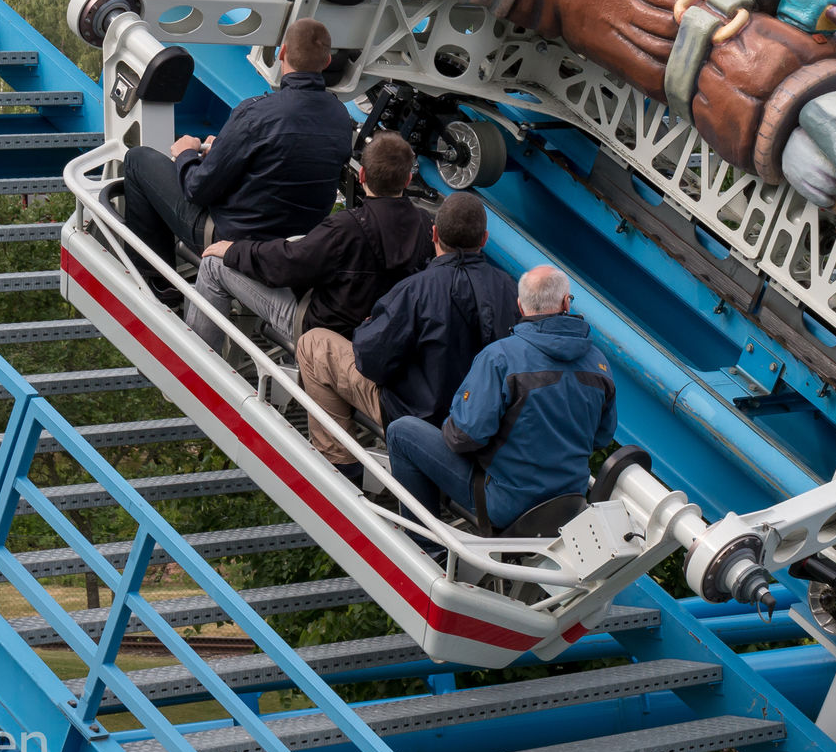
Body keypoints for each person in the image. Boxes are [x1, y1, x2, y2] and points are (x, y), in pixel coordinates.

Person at [294, 191, 517, 479]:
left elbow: (371, 362)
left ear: (434, 234)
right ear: (484, 239)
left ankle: (341, 463)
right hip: (479, 423)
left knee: (313, 344)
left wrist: (368, 327)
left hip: (414, 416)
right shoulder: (510, 290)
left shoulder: (416, 289)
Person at [122, 17, 352, 295]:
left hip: (231, 241)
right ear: (327, 61)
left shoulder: (256, 113)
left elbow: (197, 189)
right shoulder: (341, 118)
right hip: (293, 249)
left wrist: (186, 154)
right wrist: (223, 150)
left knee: (137, 160)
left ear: (282, 52)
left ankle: (157, 285)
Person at [386, 265, 617, 534]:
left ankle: (424, 544)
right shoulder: (599, 364)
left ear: (520, 305)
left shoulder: (500, 358)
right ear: (566, 302)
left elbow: (463, 437)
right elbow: (601, 438)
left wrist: (452, 421)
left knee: (401, 431)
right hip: (568, 505)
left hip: (506, 504)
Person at [187, 131, 433, 350]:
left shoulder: (347, 227)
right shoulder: (426, 226)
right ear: (407, 180)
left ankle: (196, 368)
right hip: (379, 336)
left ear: (362, 175)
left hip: (322, 332)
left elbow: (288, 265)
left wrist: (235, 250)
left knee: (214, 264)